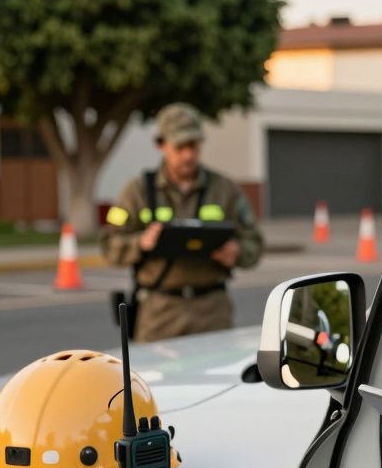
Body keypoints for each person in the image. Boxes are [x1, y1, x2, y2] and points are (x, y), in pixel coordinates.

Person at [101, 103, 263, 343]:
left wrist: (237, 252)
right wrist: (141, 242)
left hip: (213, 312)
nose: (188, 155)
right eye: (180, 147)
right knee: (155, 380)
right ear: (161, 145)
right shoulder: (137, 192)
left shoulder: (225, 190)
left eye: (194, 146)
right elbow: (108, 245)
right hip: (159, 315)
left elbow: (255, 243)